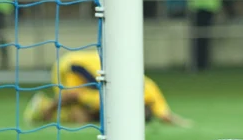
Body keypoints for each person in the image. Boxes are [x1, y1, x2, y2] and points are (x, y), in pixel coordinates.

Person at [23, 50, 192, 127]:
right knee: (77, 101)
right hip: (72, 65)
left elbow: (165, 115)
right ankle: (44, 107)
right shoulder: (140, 91)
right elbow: (74, 95)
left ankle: (51, 114)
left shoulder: (148, 95)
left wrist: (184, 124)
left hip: (95, 75)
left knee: (85, 118)